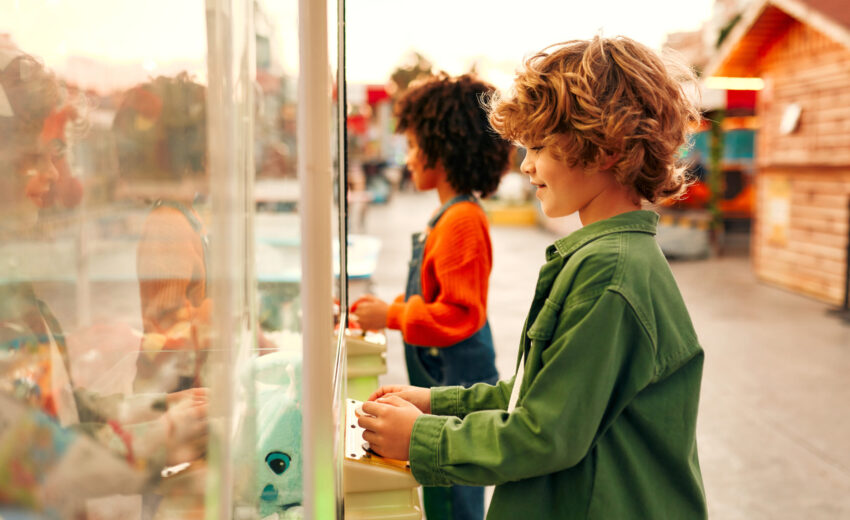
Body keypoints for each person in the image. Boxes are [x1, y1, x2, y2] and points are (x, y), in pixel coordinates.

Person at [357, 36, 708, 519]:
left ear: (605, 147)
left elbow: (547, 433)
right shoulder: (601, 257)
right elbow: (536, 393)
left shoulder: (610, 270)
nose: (525, 166)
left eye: (539, 146)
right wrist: (438, 402)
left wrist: (419, 437)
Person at [0, 44, 208, 516]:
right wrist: (159, 432)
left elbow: (60, 407)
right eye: (34, 157)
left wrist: (155, 413)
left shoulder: (14, 289)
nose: (55, 178)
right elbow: (25, 457)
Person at [351, 73, 512, 520]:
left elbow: (460, 314)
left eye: (415, 144)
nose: (409, 156)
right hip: (444, 381)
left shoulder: (461, 221)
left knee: (454, 493)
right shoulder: (447, 216)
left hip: (458, 386)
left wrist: (392, 314)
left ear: (443, 149)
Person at [112, 74, 212, 394]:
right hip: (171, 392)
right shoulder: (168, 225)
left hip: (186, 383)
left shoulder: (186, 216)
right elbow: (166, 330)